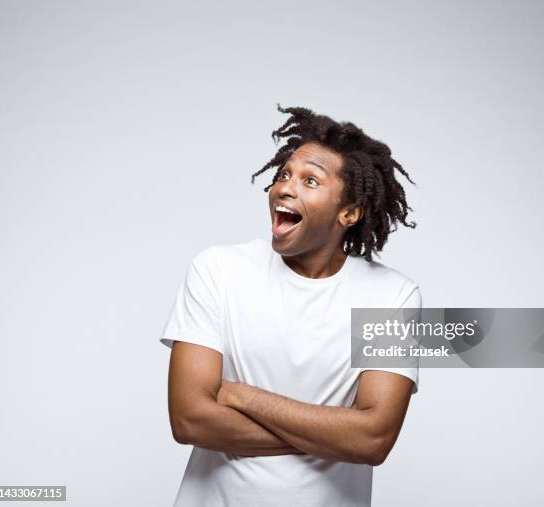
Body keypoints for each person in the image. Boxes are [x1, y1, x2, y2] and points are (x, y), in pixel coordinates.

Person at [159, 104, 422, 507]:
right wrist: (334, 436)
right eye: (284, 174)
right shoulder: (218, 270)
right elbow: (189, 418)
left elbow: (373, 439)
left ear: (349, 212)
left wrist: (242, 397)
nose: (284, 187)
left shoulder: (392, 297)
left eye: (310, 181)